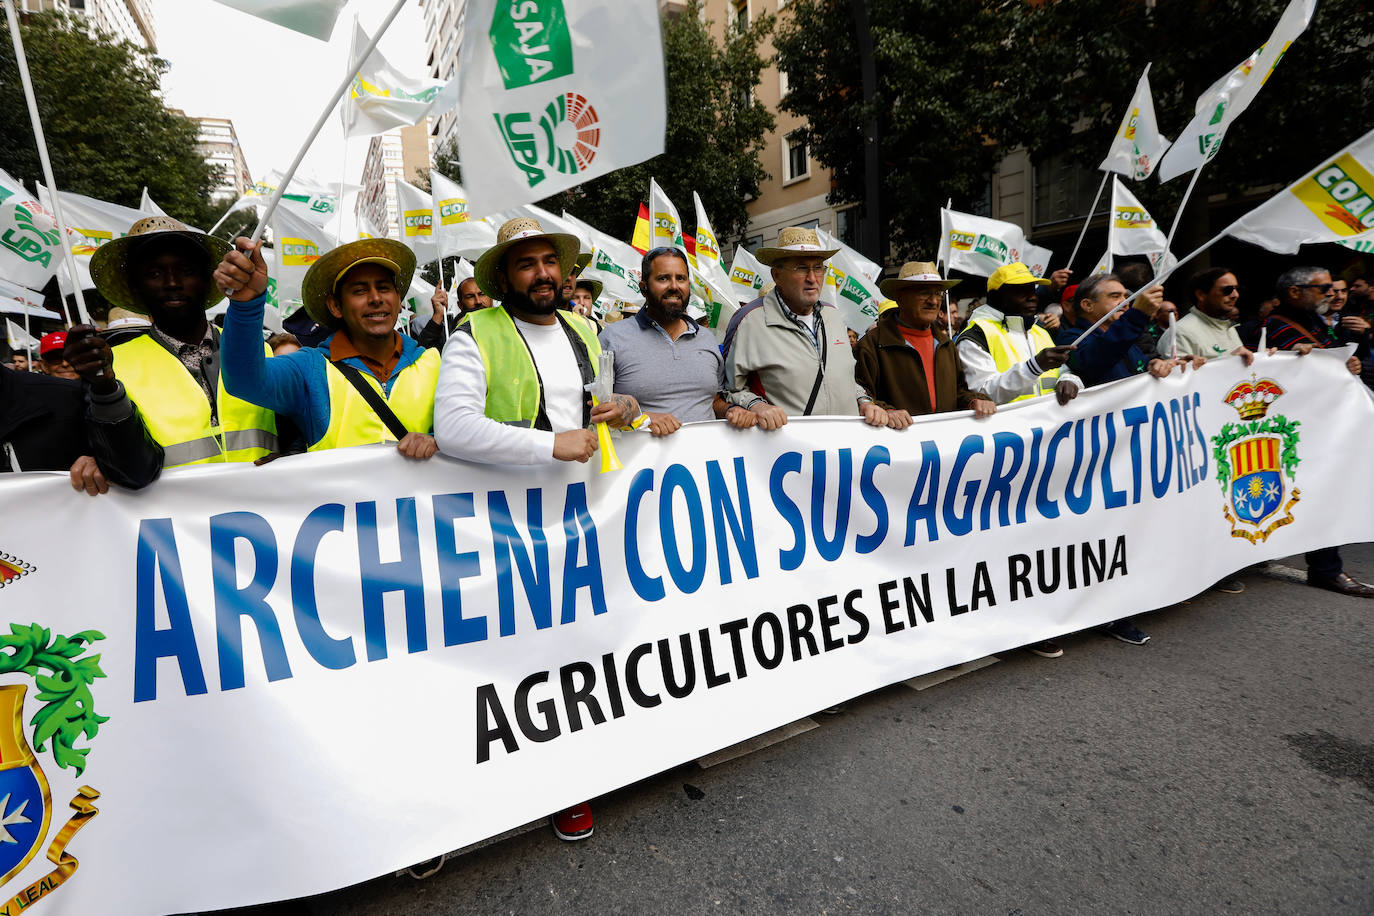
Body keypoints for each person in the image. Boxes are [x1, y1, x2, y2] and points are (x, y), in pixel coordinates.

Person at [433, 217, 640, 843]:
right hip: (508, 527)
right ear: (503, 277)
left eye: (550, 261)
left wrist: (626, 411)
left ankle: (576, 777)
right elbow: (454, 429)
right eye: (526, 264)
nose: (543, 273)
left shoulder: (583, 329)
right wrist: (550, 445)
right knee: (521, 664)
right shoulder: (476, 333)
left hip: (585, 517)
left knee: (581, 650)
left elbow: (606, 407)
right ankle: (533, 786)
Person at [61, 216, 278, 472]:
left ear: (208, 279)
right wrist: (104, 387)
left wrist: (292, 454)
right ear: (136, 287)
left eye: (186, 271)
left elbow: (293, 433)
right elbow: (133, 471)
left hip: (263, 508)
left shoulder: (259, 349)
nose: (172, 283)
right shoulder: (112, 365)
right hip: (174, 512)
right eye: (154, 273)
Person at [214, 237, 441, 460]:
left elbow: (468, 431)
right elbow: (245, 382)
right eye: (360, 291)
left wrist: (439, 442)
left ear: (399, 300)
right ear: (335, 306)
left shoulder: (435, 364)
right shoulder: (308, 369)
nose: (375, 298)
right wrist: (247, 304)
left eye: (384, 288)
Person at [1250, 266, 1372, 598]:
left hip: (1318, 424)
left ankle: (1326, 567)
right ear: (1294, 292)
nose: (1332, 293)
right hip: (1291, 429)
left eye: (1333, 287)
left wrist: (1348, 364)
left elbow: (1329, 360)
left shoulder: (1315, 320)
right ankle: (1325, 569)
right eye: (1324, 288)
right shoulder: (1276, 325)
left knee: (1320, 493)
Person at [722, 226, 891, 429]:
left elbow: (844, 381)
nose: (812, 278)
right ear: (777, 275)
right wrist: (757, 406)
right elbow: (729, 390)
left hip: (846, 452)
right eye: (801, 268)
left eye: (818, 267)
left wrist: (864, 402)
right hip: (791, 454)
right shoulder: (748, 321)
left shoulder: (834, 316)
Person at [597, 246, 750, 436]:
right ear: (643, 287)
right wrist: (642, 418)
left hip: (705, 461)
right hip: (641, 463)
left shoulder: (707, 338)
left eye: (681, 278)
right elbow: (595, 404)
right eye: (663, 278)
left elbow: (713, 400)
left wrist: (729, 410)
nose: (674, 286)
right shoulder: (612, 338)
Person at [854, 261, 995, 425]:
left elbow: (958, 392)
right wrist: (887, 412)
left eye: (938, 294)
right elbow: (859, 397)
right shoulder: (872, 345)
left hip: (943, 446)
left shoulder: (946, 345)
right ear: (900, 297)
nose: (934, 301)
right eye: (924, 293)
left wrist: (975, 401)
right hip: (896, 446)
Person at [957, 262, 1081, 407]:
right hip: (1008, 428)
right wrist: (1034, 367)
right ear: (996, 297)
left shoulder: (1040, 331)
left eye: (1032, 290)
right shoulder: (977, 335)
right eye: (1021, 291)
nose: (1032, 297)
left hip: (1049, 426)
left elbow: (1062, 369)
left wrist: (1070, 379)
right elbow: (982, 394)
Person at [1055, 273, 1195, 386]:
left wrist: (1157, 365)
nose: (1125, 302)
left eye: (1126, 297)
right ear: (1088, 305)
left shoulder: (1126, 336)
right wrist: (1137, 315)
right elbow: (1097, 359)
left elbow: (1138, 366)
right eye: (1115, 296)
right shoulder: (1070, 338)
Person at [1175, 268, 1249, 361]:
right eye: (1227, 290)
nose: (1235, 295)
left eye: (1238, 289)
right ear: (1201, 295)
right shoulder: (1181, 333)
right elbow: (1180, 373)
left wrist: (1263, 357)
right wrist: (1229, 360)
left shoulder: (1228, 327)